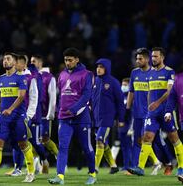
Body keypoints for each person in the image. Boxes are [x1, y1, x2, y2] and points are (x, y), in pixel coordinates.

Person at [128, 47, 183, 183]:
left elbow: (170, 91)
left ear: (162, 57)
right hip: (152, 113)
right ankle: (140, 167)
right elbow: (149, 92)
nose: (153, 59)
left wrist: (157, 103)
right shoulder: (150, 73)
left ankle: (181, 166)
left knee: (174, 139)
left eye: (156, 56)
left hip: (166, 112)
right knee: (146, 137)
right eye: (152, 56)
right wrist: (149, 108)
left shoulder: (169, 72)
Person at [0, 52, 35, 183]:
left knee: (23, 144)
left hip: (18, 116)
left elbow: (22, 96)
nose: (5, 61)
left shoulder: (21, 78)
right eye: (4, 59)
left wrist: (10, 109)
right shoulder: (0, 79)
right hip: (4, 117)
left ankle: (31, 173)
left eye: (8, 59)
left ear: (15, 63)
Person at [48, 48, 96, 185]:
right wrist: (58, 110)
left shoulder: (87, 74)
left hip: (81, 118)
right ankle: (60, 177)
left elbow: (87, 95)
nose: (67, 63)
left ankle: (92, 174)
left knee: (87, 147)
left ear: (77, 60)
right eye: (65, 60)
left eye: (70, 60)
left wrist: (74, 109)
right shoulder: (62, 75)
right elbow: (60, 95)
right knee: (62, 147)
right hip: (64, 118)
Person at [91, 58, 124, 174]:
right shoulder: (95, 82)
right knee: (103, 143)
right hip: (96, 118)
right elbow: (92, 99)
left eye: (101, 67)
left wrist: (121, 118)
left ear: (107, 68)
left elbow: (120, 101)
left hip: (107, 118)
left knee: (99, 140)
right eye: (97, 67)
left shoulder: (113, 82)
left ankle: (94, 168)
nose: (98, 69)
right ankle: (113, 165)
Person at [30, 55, 58, 164]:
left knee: (44, 139)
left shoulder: (49, 77)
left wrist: (51, 113)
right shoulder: (30, 76)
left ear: (40, 62)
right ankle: (37, 165)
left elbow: (52, 96)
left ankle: (59, 157)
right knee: (33, 139)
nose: (32, 63)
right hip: (33, 113)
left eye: (34, 61)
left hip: (44, 113)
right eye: (31, 61)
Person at [119, 78, 133, 173]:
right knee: (123, 146)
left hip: (128, 124)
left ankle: (132, 165)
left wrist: (131, 127)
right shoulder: (120, 97)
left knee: (129, 146)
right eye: (122, 84)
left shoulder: (131, 97)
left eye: (125, 85)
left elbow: (132, 113)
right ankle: (125, 165)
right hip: (121, 125)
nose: (123, 87)